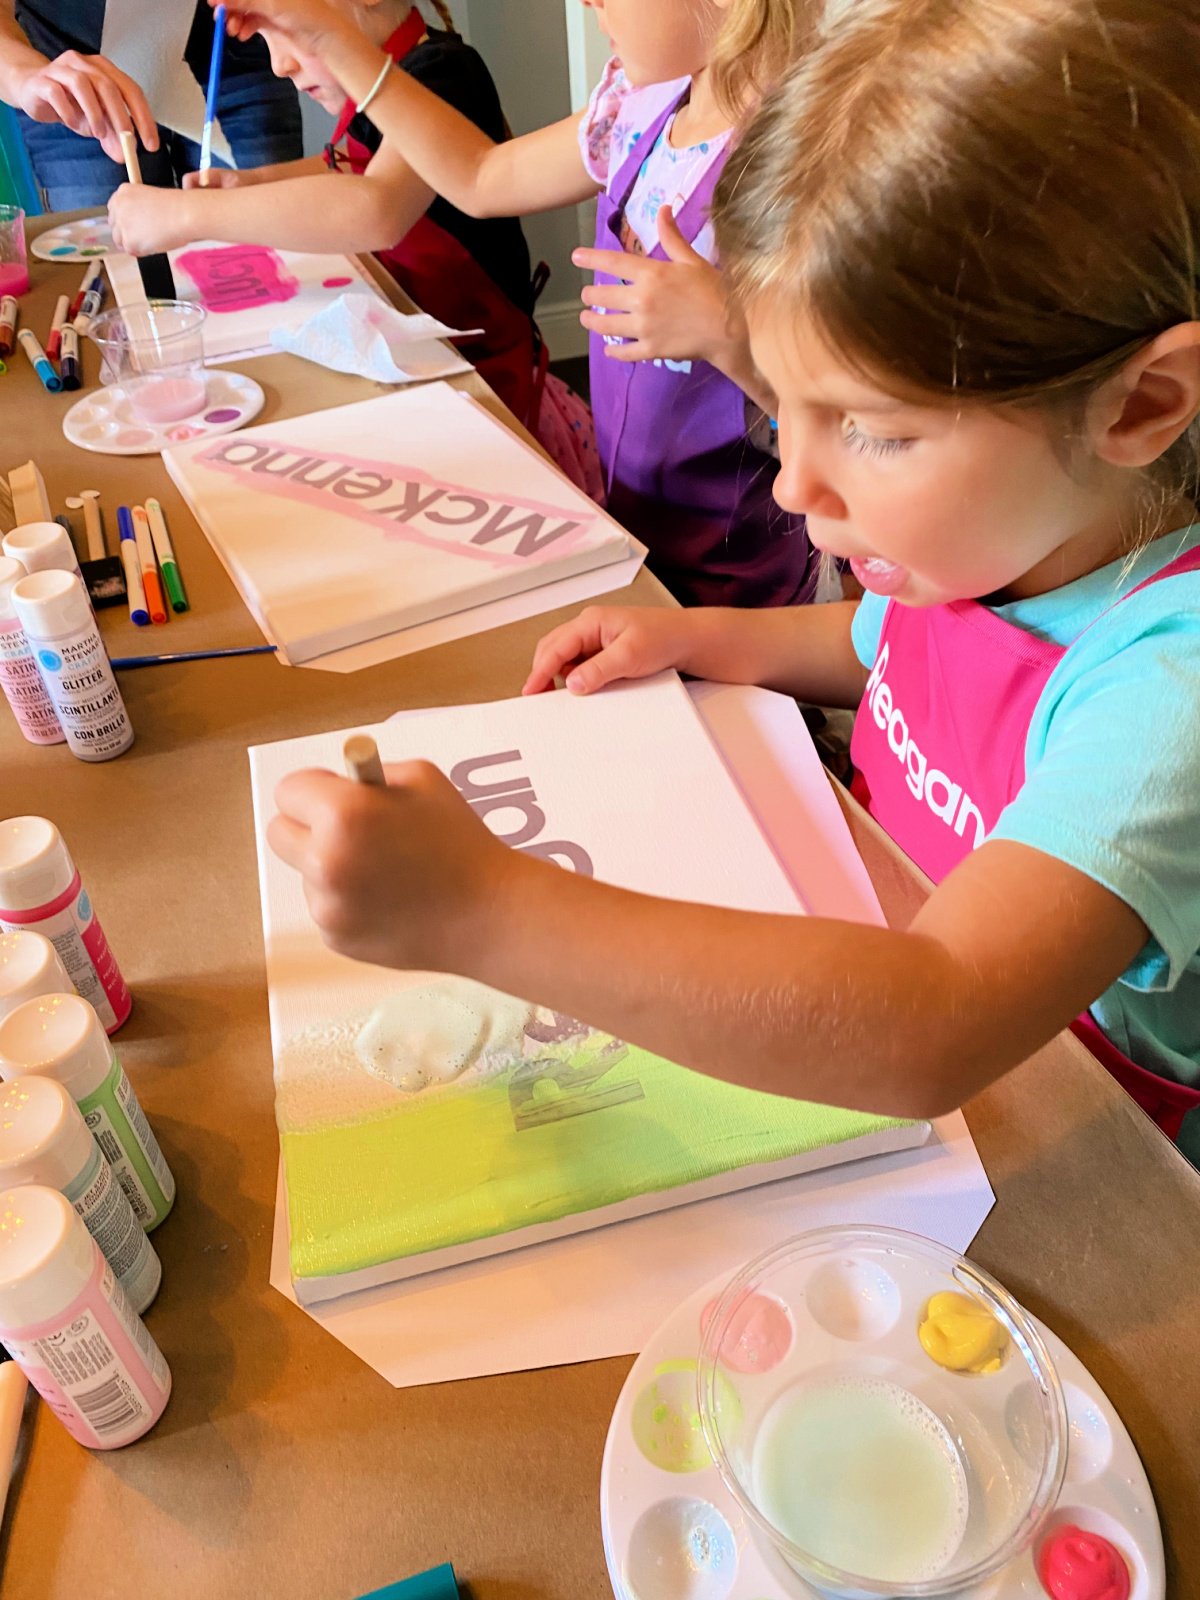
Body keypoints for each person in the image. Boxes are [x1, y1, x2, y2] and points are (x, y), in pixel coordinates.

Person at [267, 0, 1200, 1162]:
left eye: (871, 430)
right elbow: (885, 650)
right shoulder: (991, 541)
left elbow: (936, 1022)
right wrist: (707, 637)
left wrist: (484, 908)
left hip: (1099, 1152)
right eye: (785, 400)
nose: (798, 483)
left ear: (1144, 405)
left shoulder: (1172, 685)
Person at [207, 0, 820, 608]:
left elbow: (845, 422)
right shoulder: (639, 109)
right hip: (639, 541)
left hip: (745, 583)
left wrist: (728, 334)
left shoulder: (799, 163)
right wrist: (334, 40)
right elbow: (478, 176)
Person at [107, 0, 543, 431]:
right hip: (409, 351)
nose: (278, 66)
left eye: (288, 29)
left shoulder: (442, 72)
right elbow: (349, 164)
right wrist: (254, 181)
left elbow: (376, 207)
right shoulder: (386, 82)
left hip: (480, 378)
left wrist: (188, 214)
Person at [0, 0, 300, 209]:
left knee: (262, 249)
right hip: (73, 88)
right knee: (107, 263)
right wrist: (24, 76)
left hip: (235, 61)